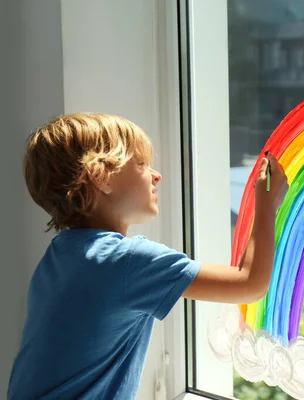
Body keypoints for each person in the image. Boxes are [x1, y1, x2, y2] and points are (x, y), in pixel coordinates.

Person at [7, 113, 288, 400]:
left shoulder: (60, 255)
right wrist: (266, 206)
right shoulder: (126, 261)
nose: (156, 174)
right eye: (142, 164)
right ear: (101, 178)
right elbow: (250, 284)